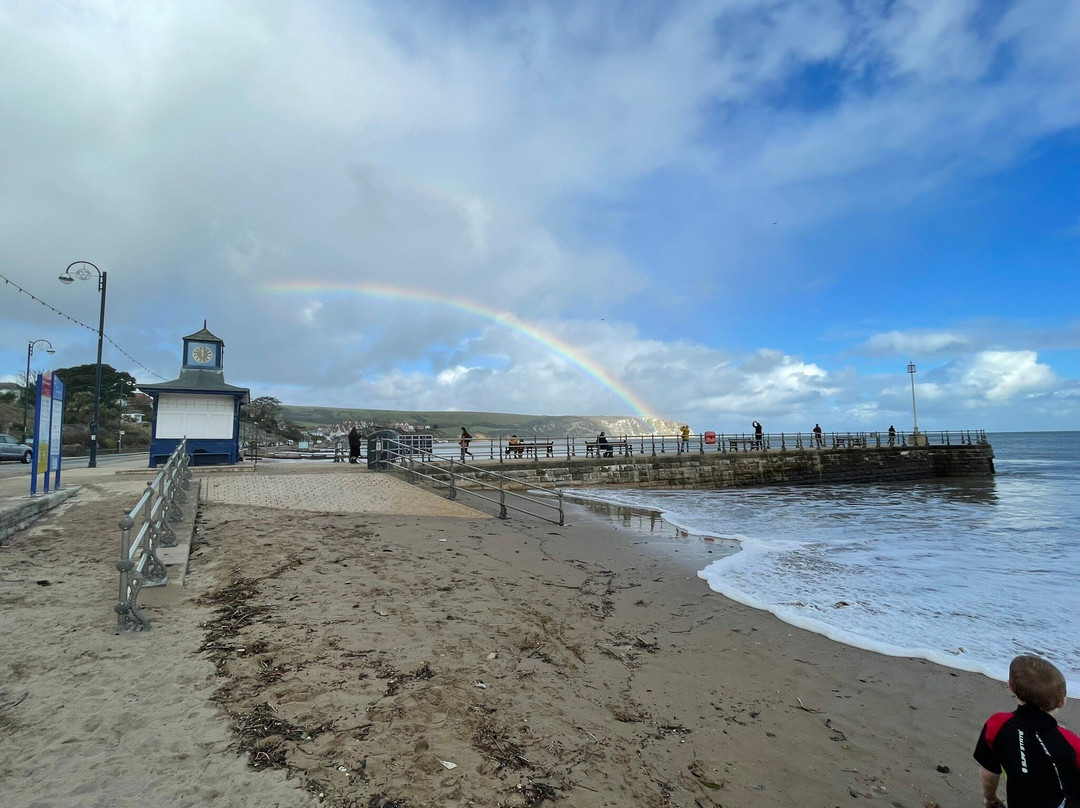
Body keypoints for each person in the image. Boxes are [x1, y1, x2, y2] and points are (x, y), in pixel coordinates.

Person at [973, 654, 1080, 808]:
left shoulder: (997, 724)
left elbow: (990, 770)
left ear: (1010, 686)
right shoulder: (1071, 742)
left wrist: (990, 797)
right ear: (1062, 702)